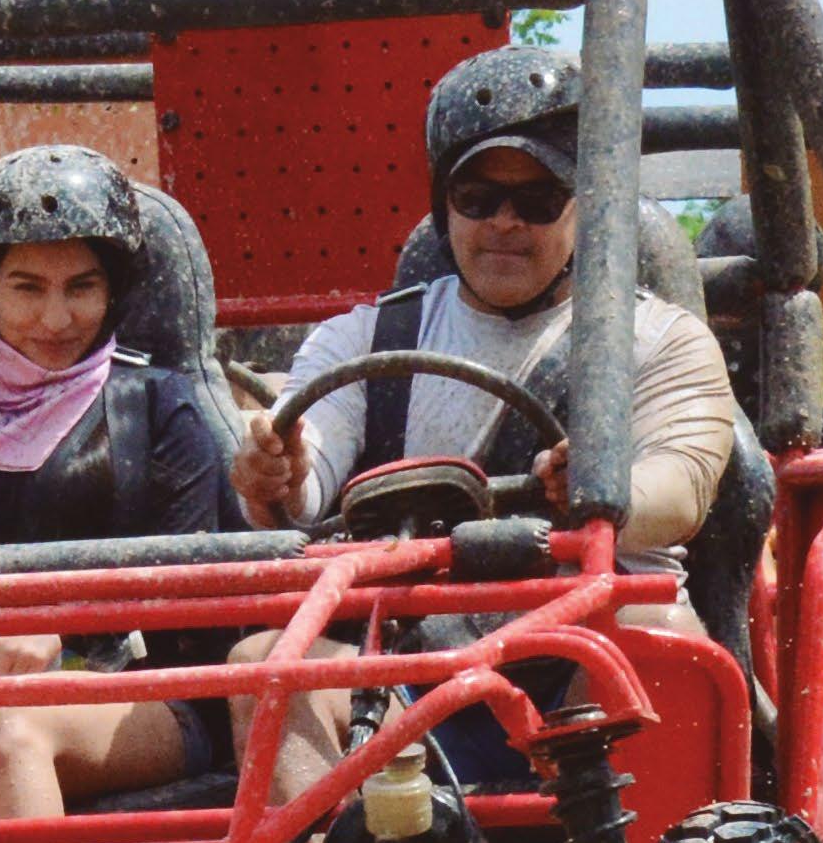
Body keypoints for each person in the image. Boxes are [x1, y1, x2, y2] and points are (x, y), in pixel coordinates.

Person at [232, 47, 754, 594]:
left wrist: (604, 488)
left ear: (588, 207)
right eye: (477, 198)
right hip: (402, 624)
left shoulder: (667, 342)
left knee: (649, 634)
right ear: (444, 205)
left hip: (603, 619)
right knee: (267, 644)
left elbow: (681, 489)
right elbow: (307, 470)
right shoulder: (361, 342)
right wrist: (278, 475)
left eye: (538, 200)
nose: (504, 222)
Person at [0, 145, 246, 818]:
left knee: (7, 723)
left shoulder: (158, 405)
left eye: (81, 288)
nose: (57, 320)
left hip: (141, 690)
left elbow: (187, 588)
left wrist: (65, 634)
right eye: (27, 288)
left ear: (113, 291)